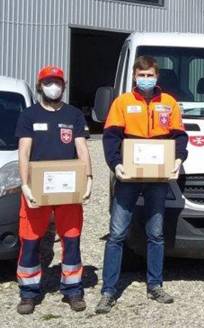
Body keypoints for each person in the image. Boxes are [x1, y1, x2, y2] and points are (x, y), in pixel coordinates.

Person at [96, 55, 187, 314]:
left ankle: (155, 285)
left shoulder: (168, 103)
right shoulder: (122, 102)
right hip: (129, 176)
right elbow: (111, 135)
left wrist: (179, 158)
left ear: (157, 77)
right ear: (135, 76)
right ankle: (108, 290)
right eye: (141, 75)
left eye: (150, 75)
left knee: (156, 233)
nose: (145, 79)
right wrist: (115, 164)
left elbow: (179, 136)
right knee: (117, 233)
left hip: (158, 178)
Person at [15, 65, 92, 315]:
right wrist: (25, 184)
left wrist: (88, 178)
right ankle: (29, 293)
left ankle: (72, 290)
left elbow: (82, 148)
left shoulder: (73, 115)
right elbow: (24, 151)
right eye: (49, 81)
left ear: (64, 85)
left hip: (68, 190)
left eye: (58, 81)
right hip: (37, 189)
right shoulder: (29, 115)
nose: (54, 86)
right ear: (40, 85)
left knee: (71, 239)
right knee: (30, 240)